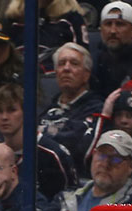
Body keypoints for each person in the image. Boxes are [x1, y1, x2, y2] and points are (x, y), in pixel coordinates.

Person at [0, 84, 77, 199]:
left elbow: (68, 201)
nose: (4, 117)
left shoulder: (53, 154)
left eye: (11, 110)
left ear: (26, 113)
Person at [39, 42, 103, 175]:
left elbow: (75, 145)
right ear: (56, 72)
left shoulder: (96, 108)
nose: (66, 68)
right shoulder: (46, 110)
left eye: (74, 63)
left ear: (86, 74)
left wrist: (41, 134)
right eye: (61, 63)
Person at [84, 86, 132, 177]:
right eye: (118, 115)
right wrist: (105, 116)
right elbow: (86, 158)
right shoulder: (104, 142)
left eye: (131, 115)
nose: (123, 121)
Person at [3, 0, 88, 57]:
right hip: (18, 78)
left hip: (56, 79)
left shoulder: (72, 18)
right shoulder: (13, 18)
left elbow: (82, 59)